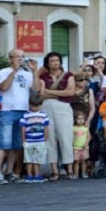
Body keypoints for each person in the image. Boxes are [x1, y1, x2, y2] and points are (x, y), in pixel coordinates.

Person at [0, 50, 37, 184]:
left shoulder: (27, 74)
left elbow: (36, 88)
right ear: (10, 59)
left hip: (23, 110)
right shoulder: (3, 72)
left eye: (22, 57)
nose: (20, 59)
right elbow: (4, 87)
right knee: (4, 143)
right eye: (17, 57)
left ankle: (10, 171)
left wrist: (34, 71)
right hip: (7, 110)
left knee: (17, 144)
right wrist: (14, 71)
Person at [36, 51, 75, 181]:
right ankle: (54, 170)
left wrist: (50, 92)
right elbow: (41, 94)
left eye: (57, 60)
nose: (55, 63)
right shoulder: (43, 77)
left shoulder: (68, 75)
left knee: (65, 137)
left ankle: (69, 169)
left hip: (63, 107)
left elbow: (71, 92)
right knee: (50, 138)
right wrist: (59, 93)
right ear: (47, 63)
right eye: (52, 61)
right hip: (46, 107)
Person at [20, 98, 50, 183]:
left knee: (38, 159)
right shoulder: (25, 115)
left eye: (36, 106)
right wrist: (23, 140)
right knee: (28, 159)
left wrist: (46, 138)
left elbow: (46, 127)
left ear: (40, 105)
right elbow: (23, 128)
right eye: (32, 105)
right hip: (29, 140)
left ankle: (37, 175)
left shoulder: (44, 115)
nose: (34, 108)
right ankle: (29, 175)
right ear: (29, 105)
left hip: (40, 140)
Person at [71, 112, 90, 180]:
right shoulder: (73, 128)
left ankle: (83, 173)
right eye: (78, 119)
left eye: (82, 119)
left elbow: (89, 136)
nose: (81, 120)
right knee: (76, 161)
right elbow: (71, 137)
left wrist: (86, 143)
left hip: (84, 147)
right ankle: (76, 174)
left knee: (84, 161)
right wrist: (72, 144)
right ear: (75, 119)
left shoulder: (85, 128)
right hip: (76, 147)